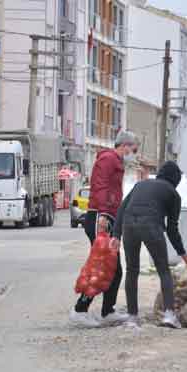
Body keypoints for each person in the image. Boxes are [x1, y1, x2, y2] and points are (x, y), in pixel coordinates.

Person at [111, 161, 187, 329]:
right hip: (151, 226)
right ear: (176, 179)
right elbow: (172, 229)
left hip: (129, 225)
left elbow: (122, 208)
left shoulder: (141, 184)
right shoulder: (173, 194)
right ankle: (169, 315)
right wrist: (184, 255)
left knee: (132, 270)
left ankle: (132, 317)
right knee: (163, 269)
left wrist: (116, 235)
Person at [69, 130, 139, 328]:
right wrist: (104, 215)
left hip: (106, 217)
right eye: (133, 149)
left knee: (113, 269)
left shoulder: (115, 162)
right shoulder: (108, 160)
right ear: (124, 145)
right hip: (102, 218)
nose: (133, 154)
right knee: (103, 267)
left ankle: (108, 310)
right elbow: (100, 187)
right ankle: (80, 309)